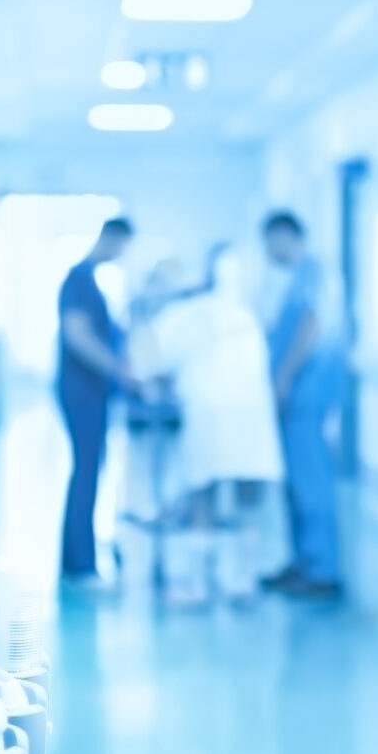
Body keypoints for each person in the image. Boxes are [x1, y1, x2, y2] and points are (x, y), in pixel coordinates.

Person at [133, 245, 285, 606]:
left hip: (208, 411)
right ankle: (243, 578)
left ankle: (197, 584)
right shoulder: (250, 314)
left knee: (203, 493)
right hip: (252, 413)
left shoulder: (187, 313)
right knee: (249, 493)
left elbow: (149, 361)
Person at [261, 211, 344, 600]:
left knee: (311, 481)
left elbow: (311, 324)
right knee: (296, 483)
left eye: (269, 241)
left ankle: (323, 570)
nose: (267, 251)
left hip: (305, 394)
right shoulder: (300, 275)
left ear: (284, 235)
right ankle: (302, 563)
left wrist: (285, 376)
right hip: (296, 395)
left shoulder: (314, 271)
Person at [57, 217, 135, 584]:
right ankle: (80, 565)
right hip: (81, 391)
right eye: (122, 246)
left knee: (89, 469)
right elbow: (77, 336)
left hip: (91, 391)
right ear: (111, 238)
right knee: (86, 471)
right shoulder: (79, 280)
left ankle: (78, 560)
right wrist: (119, 369)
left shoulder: (89, 282)